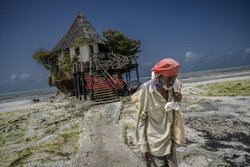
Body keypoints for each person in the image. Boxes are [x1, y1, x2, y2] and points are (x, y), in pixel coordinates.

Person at [135, 58, 183, 167]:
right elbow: (141, 120)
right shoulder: (146, 90)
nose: (171, 81)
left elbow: (173, 110)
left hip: (170, 141)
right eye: (168, 78)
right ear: (159, 76)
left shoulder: (175, 87)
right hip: (155, 145)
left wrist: (178, 101)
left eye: (174, 77)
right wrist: (143, 148)